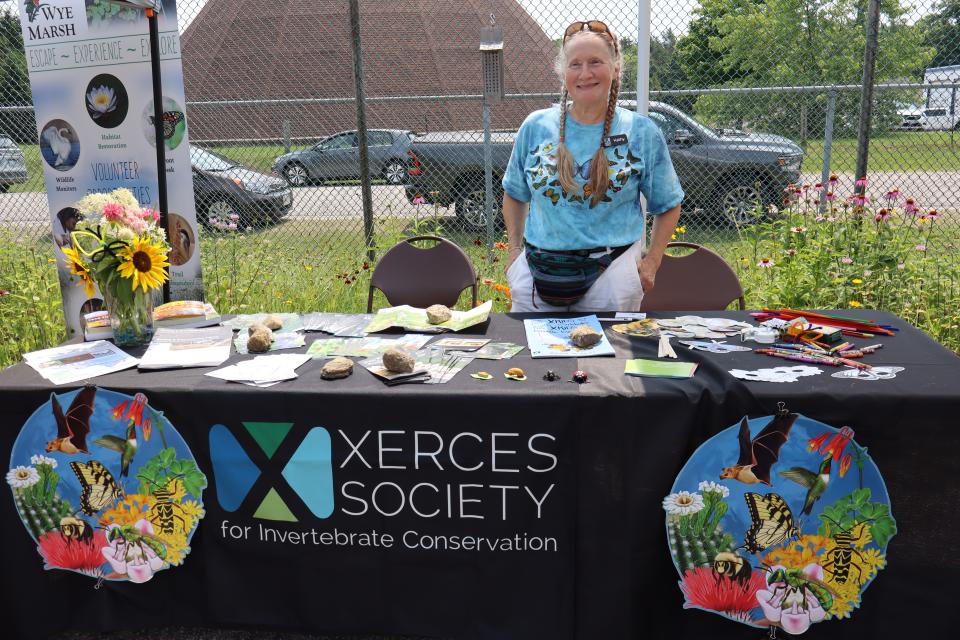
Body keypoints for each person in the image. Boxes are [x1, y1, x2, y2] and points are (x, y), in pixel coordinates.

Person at [501, 20, 684, 312]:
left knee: (608, 359)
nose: (585, 74)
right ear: (563, 73)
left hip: (613, 274)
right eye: (575, 64)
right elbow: (514, 193)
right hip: (537, 275)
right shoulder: (534, 126)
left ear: (615, 68)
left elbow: (668, 203)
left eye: (595, 62)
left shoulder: (641, 132)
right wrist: (513, 252)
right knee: (532, 358)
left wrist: (652, 262)